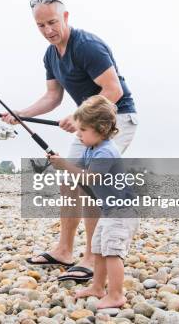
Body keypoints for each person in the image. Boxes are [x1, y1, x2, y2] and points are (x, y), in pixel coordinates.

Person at [2, 0, 138, 282]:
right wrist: (21, 113)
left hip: (117, 117)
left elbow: (114, 92)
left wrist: (78, 117)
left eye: (52, 22)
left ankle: (91, 257)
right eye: (40, 26)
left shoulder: (88, 46)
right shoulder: (51, 55)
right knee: (69, 180)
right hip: (88, 121)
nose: (48, 30)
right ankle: (64, 250)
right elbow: (52, 96)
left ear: (65, 17)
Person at [47, 95, 139, 308]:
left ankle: (116, 294)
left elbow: (88, 177)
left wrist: (65, 166)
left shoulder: (106, 151)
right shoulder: (91, 148)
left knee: (112, 252)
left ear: (102, 128)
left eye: (83, 130)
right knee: (97, 248)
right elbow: (75, 170)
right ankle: (98, 287)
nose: (78, 135)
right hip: (109, 211)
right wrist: (59, 162)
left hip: (122, 212)